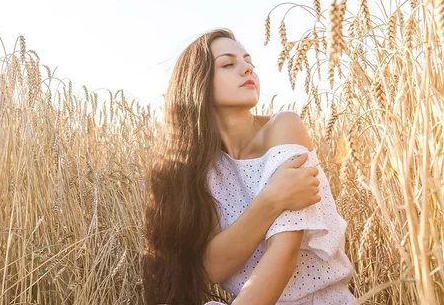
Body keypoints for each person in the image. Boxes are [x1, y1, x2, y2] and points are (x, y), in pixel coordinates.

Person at [142, 28, 354, 304]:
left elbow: (284, 252)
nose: (246, 69)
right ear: (197, 83)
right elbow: (216, 267)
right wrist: (270, 200)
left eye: (249, 62)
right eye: (228, 64)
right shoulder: (199, 170)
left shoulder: (283, 127)